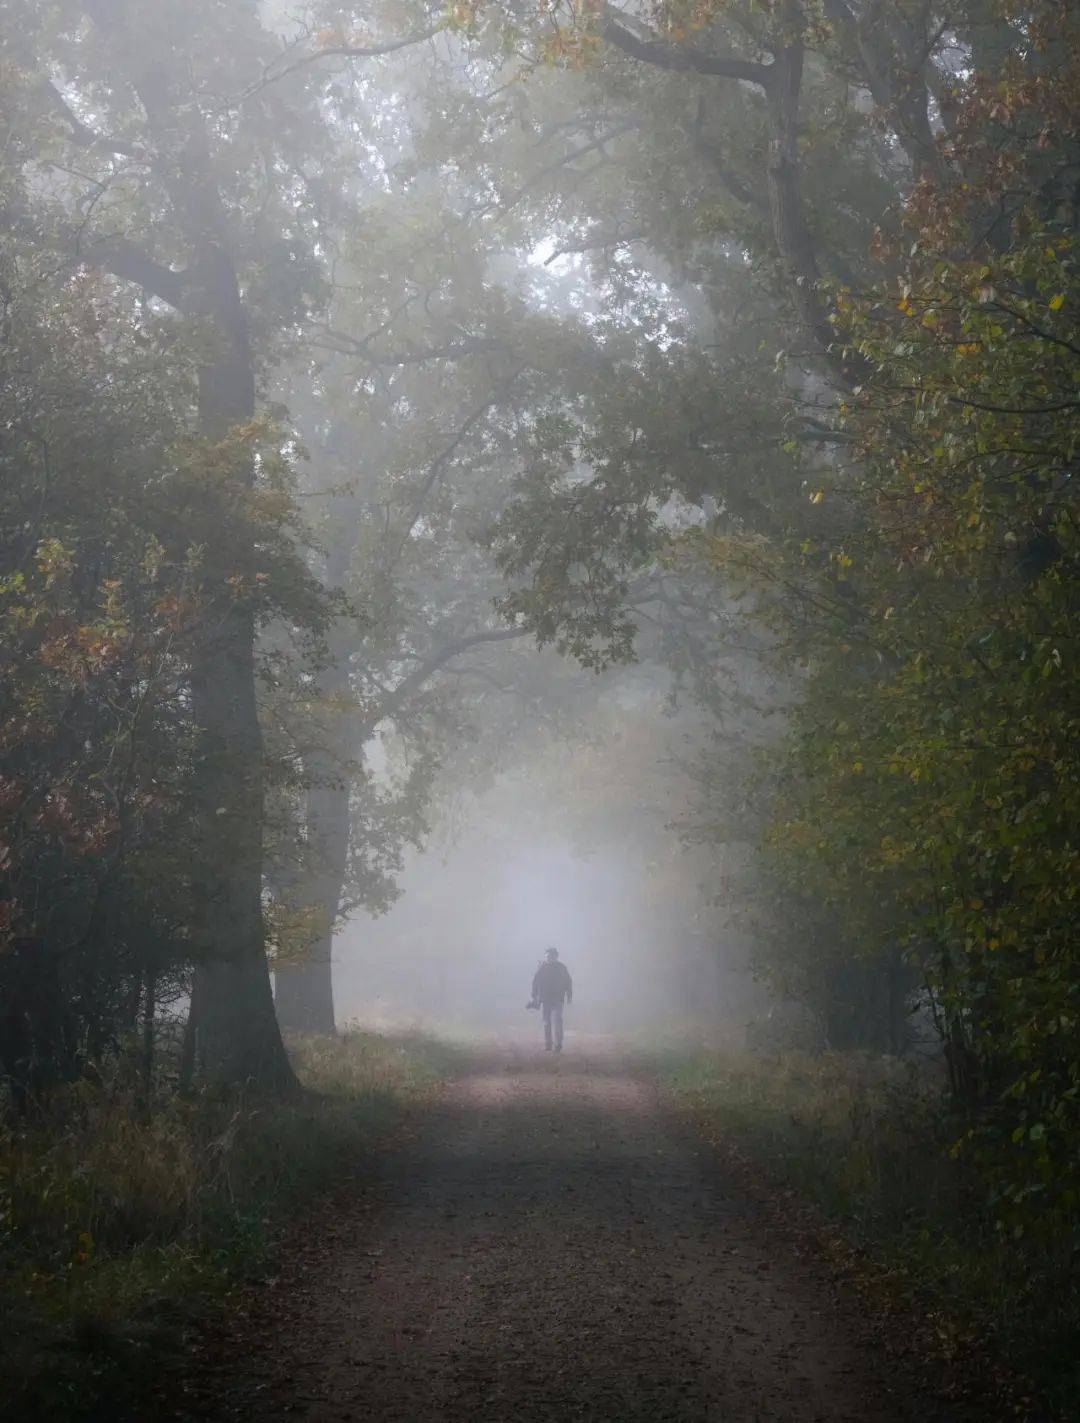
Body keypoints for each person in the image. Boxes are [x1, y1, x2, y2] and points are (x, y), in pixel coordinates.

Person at [530, 947, 572, 1053]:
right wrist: (534, 996)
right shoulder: (542, 968)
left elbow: (568, 981)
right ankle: (548, 1045)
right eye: (547, 956)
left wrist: (569, 995)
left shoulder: (562, 968)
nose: (548, 958)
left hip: (558, 999)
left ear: (555, 956)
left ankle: (558, 1044)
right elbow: (535, 982)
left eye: (550, 956)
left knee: (557, 1021)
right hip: (545, 999)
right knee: (547, 1023)